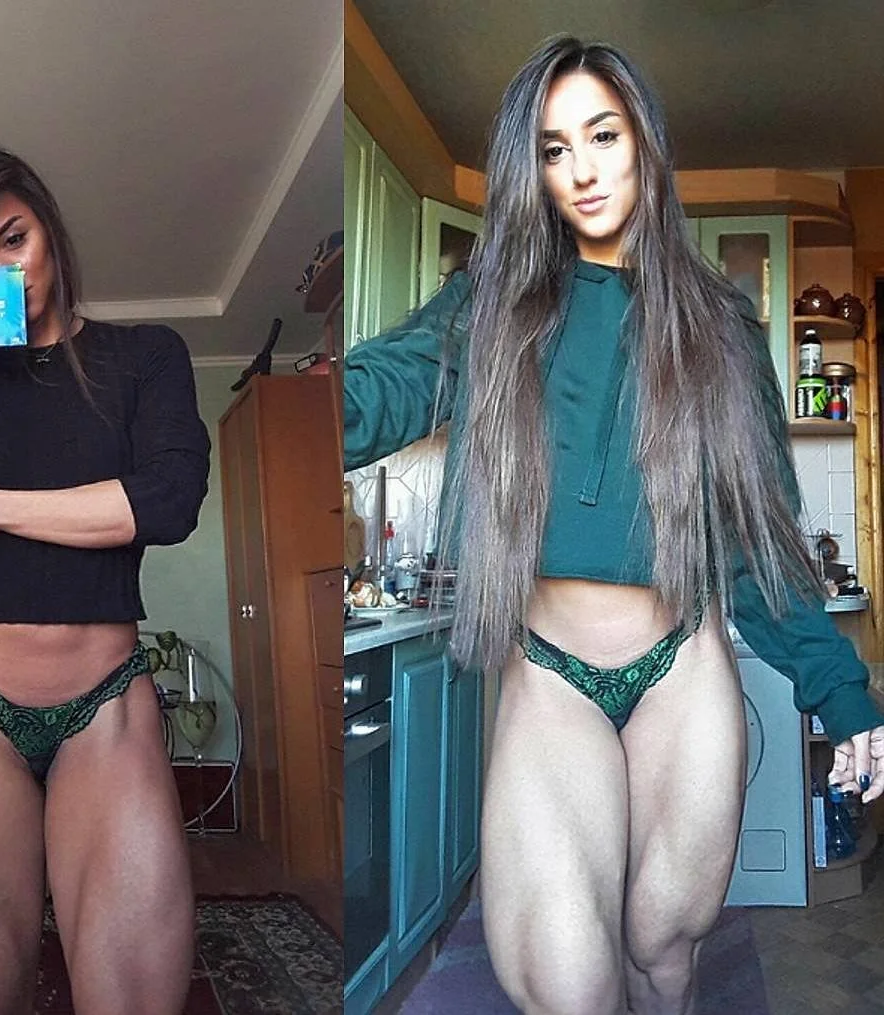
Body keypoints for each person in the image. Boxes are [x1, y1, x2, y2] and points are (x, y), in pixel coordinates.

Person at [343, 35, 884, 1015]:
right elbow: (382, 386)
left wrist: (842, 692)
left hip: (681, 670)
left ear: (645, 143)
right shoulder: (491, 303)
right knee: (568, 981)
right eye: (554, 149)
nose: (583, 170)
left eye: (603, 135)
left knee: (664, 950)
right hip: (551, 677)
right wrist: (304, 411)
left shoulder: (723, 327)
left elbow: (759, 548)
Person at [0, 146, 210, 1015]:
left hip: (105, 698)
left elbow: (169, 499)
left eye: (14, 238)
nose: (7, 270)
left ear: (49, 229)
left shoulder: (145, 355)